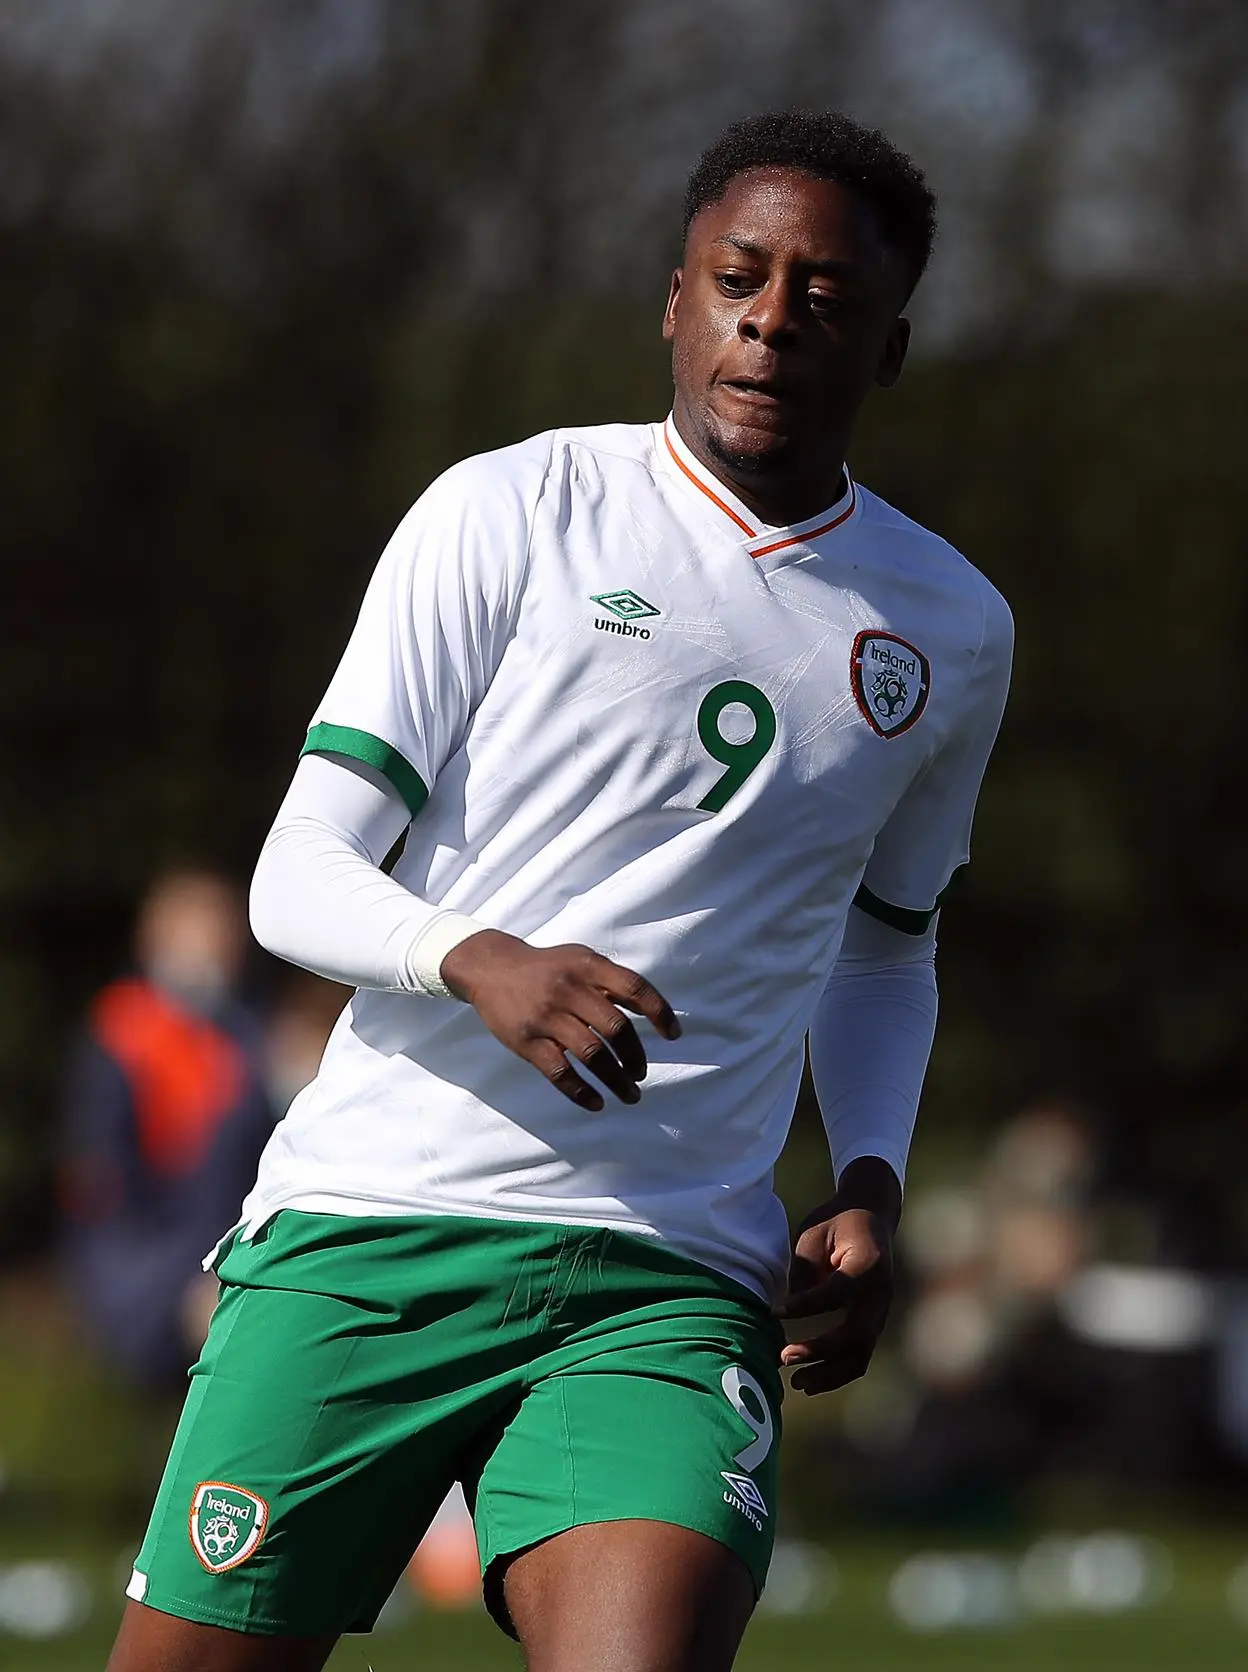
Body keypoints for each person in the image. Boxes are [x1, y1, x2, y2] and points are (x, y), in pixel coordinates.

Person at [106, 109, 1013, 1672]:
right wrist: (475, 959)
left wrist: (868, 1182)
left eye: (826, 298)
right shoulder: (507, 510)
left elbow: (886, 947)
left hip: (666, 1278)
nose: (773, 322)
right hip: (374, 1234)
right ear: (675, 299)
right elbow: (294, 875)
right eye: (740, 277)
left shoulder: (952, 626)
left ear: (892, 347)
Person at [61, 868, 277, 1389]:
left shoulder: (245, 1036)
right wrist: (177, 1281)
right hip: (147, 1276)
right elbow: (106, 1193)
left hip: (227, 1256)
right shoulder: (123, 1035)